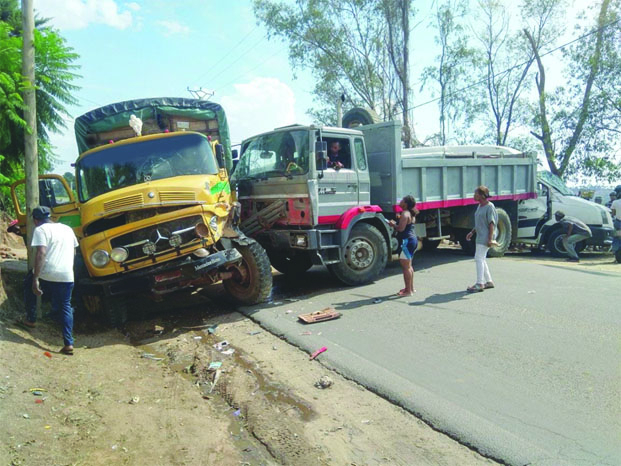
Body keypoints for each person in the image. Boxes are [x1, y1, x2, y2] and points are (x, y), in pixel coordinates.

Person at [19, 206, 79, 355]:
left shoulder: (40, 230)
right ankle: (69, 343)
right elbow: (74, 251)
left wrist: (36, 278)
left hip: (48, 273)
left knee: (28, 283)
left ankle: (31, 318)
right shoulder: (67, 229)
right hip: (67, 274)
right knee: (66, 305)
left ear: (35, 220)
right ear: (51, 216)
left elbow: (41, 253)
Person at [466, 185, 498, 293]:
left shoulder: (490, 207)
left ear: (482, 196)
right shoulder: (480, 206)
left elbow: (491, 223)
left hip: (485, 237)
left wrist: (489, 239)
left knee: (478, 258)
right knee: (481, 258)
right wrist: (472, 232)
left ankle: (480, 283)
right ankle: (489, 281)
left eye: (476, 194)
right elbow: (480, 222)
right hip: (480, 236)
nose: (474, 196)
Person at [388, 195, 419, 296]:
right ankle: (410, 288)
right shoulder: (410, 213)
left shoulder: (405, 214)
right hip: (412, 240)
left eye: (401, 200)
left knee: (406, 267)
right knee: (409, 266)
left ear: (405, 204)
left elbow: (400, 228)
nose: (399, 202)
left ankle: (408, 291)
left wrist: (393, 225)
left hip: (407, 241)